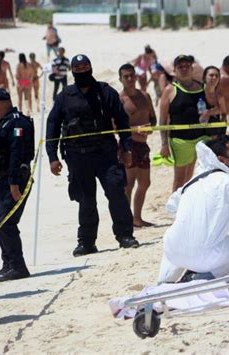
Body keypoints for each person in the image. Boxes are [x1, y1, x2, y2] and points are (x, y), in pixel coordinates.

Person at [46, 54, 139, 255]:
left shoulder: (106, 92)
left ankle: (125, 235)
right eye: (77, 68)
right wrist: (52, 157)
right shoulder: (65, 96)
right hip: (77, 156)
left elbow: (122, 121)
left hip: (105, 154)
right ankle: (87, 242)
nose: (82, 71)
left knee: (116, 192)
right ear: (72, 71)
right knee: (86, 199)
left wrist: (127, 148)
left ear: (91, 67)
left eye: (85, 66)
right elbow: (52, 125)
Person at [158, 137, 229, 283]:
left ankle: (165, 280)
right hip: (202, 258)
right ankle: (200, 277)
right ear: (221, 159)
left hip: (172, 253)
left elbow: (171, 205)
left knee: (178, 238)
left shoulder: (192, 183)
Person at [0, 88, 35, 281]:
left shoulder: (17, 123)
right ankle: (7, 263)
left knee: (7, 222)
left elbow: (17, 155)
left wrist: (14, 184)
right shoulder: (4, 123)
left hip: (14, 179)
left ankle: (18, 266)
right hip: (1, 179)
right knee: (0, 222)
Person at [159, 55, 210, 192]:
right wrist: (164, 144)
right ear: (175, 70)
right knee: (179, 179)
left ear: (192, 68)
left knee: (191, 176)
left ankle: (186, 205)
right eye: (180, 66)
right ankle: (176, 209)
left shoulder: (202, 87)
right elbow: (163, 120)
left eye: (187, 66)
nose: (184, 69)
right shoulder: (170, 90)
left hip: (200, 138)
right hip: (180, 140)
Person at [118, 64, 157, 228]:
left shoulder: (145, 96)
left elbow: (153, 118)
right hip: (128, 145)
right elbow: (115, 127)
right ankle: (127, 219)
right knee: (129, 184)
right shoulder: (120, 100)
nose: (129, 79)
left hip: (143, 144)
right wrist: (136, 130)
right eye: (125, 76)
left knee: (145, 182)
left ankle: (137, 217)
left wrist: (149, 127)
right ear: (120, 79)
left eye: (131, 75)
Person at [201, 66, 227, 137]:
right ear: (204, 77)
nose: (214, 78)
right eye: (211, 75)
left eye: (217, 76)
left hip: (215, 133)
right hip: (199, 133)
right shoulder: (198, 94)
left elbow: (224, 114)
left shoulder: (219, 96)